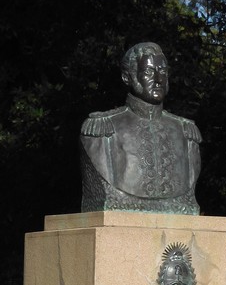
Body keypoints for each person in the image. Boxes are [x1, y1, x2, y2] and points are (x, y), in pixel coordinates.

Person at [80, 42, 201, 214]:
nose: (159, 80)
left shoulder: (185, 131)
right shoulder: (102, 130)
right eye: (149, 72)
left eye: (163, 72)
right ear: (127, 77)